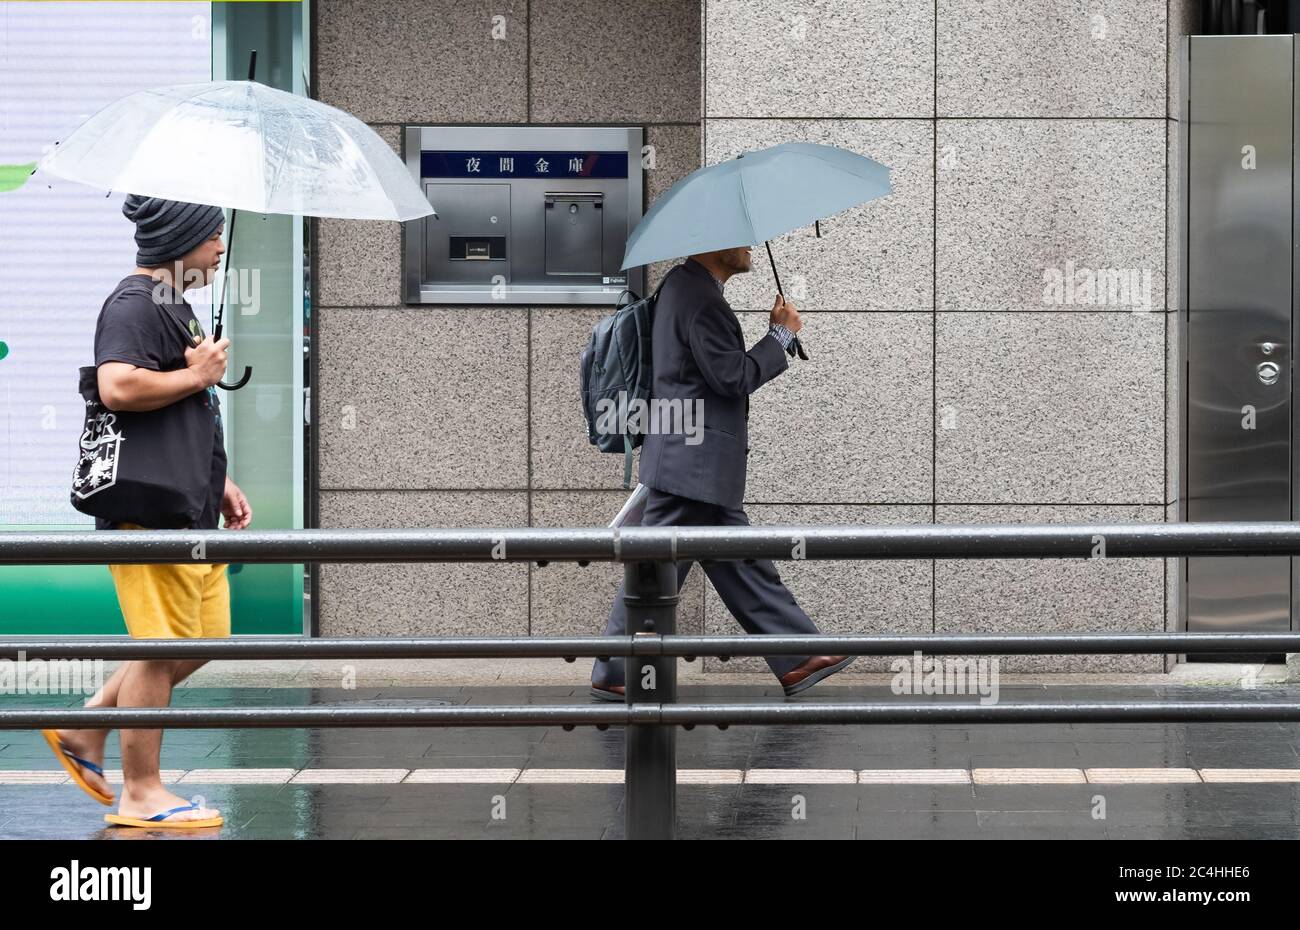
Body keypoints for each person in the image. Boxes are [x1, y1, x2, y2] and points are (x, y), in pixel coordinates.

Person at [43, 194, 251, 830]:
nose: (220, 248)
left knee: (207, 639)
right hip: (148, 512)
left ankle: (86, 725)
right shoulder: (134, 303)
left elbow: (173, 414)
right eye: (212, 236)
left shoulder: (172, 305)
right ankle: (141, 792)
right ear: (181, 241)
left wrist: (218, 481)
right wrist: (198, 377)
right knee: (158, 650)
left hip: (187, 505)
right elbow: (119, 386)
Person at [591, 247, 853, 700]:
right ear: (713, 246)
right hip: (691, 460)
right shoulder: (699, 298)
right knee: (661, 565)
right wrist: (780, 336)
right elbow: (731, 376)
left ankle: (797, 657)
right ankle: (615, 669)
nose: (750, 247)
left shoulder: (685, 287)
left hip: (688, 455)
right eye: (741, 239)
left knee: (735, 559)